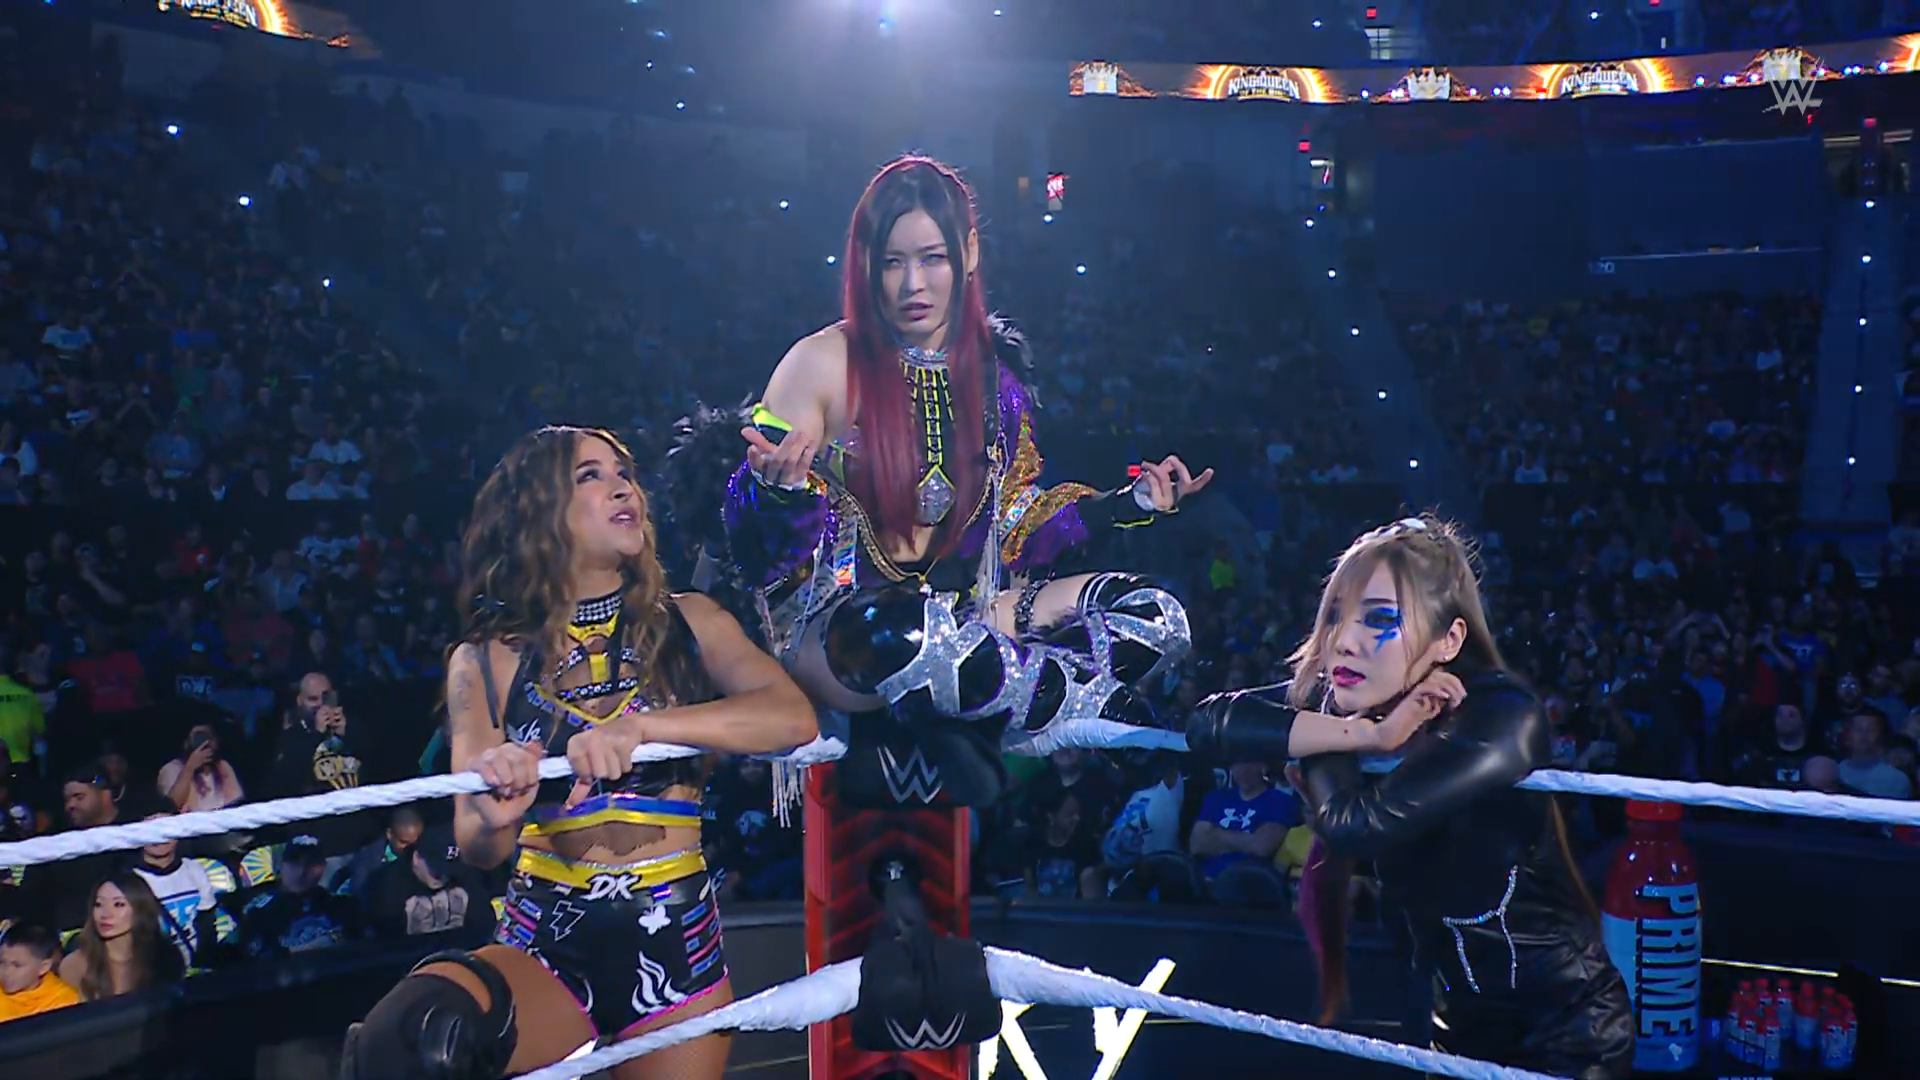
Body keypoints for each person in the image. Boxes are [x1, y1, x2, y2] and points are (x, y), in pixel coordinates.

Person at [673, 156, 1224, 802]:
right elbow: (755, 558)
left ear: (968, 254)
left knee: (1157, 615)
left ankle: (1014, 698)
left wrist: (1128, 502)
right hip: (843, 635)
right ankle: (1066, 704)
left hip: (967, 617)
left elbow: (1014, 521)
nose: (914, 283)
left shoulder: (994, 380)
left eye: (932, 258)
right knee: (895, 631)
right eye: (892, 263)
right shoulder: (819, 363)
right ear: (865, 265)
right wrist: (776, 495)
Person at [342, 426, 818, 1080]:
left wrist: (645, 730)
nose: (623, 487)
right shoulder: (485, 659)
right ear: (540, 508)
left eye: (624, 472)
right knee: (421, 1039)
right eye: (590, 475)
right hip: (545, 938)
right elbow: (477, 845)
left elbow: (792, 717)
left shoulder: (692, 621)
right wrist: (502, 811)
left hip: (673, 945)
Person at [1185, 516, 1633, 1079]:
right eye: (1335, 616)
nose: (1342, 641)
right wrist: (1365, 735)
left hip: (1569, 1034)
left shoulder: (1501, 715)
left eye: (1378, 618)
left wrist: (1325, 736)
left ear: (1449, 640)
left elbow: (1354, 824)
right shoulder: (1356, 701)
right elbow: (1207, 723)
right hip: (1457, 1032)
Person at [56, 872, 185, 1003]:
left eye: (118, 904)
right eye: (98, 904)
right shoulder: (74, 965)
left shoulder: (165, 958)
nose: (105, 914)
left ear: (140, 909)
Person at [0, 923, 81, 1022]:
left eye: (17, 965)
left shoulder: (63, 1002)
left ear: (44, 967)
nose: (6, 972)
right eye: (2, 962)